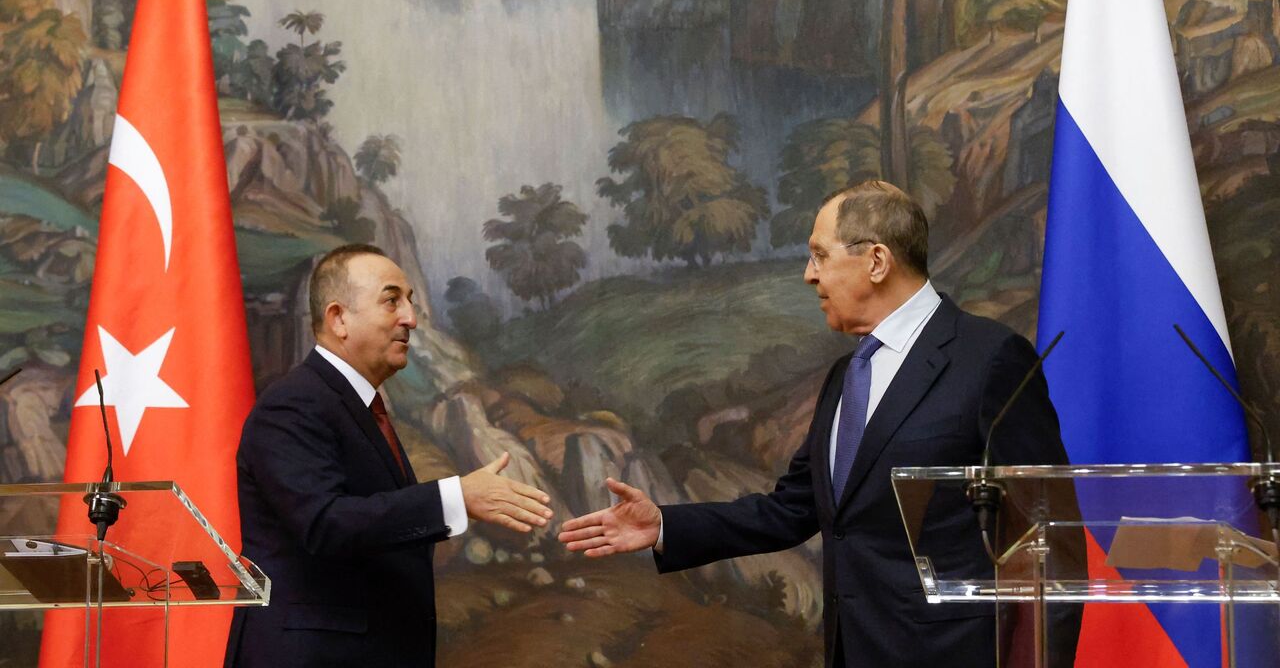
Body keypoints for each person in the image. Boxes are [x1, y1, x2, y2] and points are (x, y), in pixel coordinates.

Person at [558, 181, 1080, 667]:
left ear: (876, 260)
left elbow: (1050, 541)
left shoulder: (990, 359)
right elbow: (793, 508)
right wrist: (665, 526)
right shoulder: (846, 374)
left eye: (820, 256)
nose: (809, 275)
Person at [225, 244, 553, 668]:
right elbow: (325, 524)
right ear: (338, 318)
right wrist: (456, 497)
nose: (411, 319)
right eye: (391, 300)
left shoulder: (356, 406)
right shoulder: (292, 404)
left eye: (411, 302)